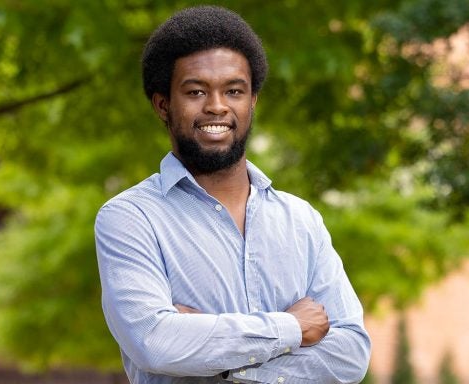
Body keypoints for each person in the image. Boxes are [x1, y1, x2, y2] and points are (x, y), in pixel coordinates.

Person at [95, 5, 371, 383]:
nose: (217, 106)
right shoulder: (130, 218)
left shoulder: (300, 219)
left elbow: (350, 356)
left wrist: (214, 358)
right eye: (195, 91)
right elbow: (154, 342)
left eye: (234, 90)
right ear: (163, 105)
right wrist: (290, 328)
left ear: (252, 99)